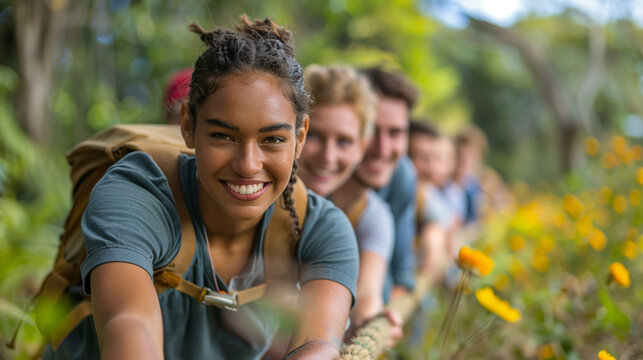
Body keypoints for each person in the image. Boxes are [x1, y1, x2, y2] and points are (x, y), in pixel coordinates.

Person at [44, 16, 358, 360]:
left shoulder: (322, 228)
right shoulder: (135, 195)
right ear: (188, 125)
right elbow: (129, 324)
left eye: (272, 139)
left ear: (299, 138)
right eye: (223, 135)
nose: (248, 164)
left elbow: (318, 346)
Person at [297, 64, 401, 340]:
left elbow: (367, 292)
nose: (328, 157)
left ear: (361, 148)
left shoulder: (371, 214)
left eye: (343, 142)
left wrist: (368, 323)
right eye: (316, 136)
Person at [358, 67, 419, 301]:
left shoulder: (401, 175)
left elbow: (400, 270)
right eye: (372, 130)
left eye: (395, 133)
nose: (382, 150)